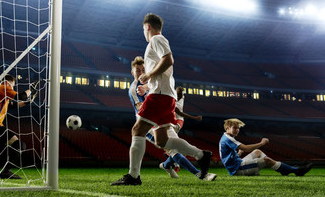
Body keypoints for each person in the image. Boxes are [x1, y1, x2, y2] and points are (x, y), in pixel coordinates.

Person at [112, 13, 213, 186]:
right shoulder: (157, 42)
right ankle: (201, 155)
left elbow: (168, 60)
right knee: (162, 141)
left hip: (159, 96)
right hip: (165, 95)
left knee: (137, 130)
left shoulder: (156, 40)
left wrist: (149, 75)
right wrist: (148, 84)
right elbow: (165, 72)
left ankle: (133, 176)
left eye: (143, 28)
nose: (143, 31)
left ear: (148, 27)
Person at [129, 57, 216, 181]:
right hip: (148, 126)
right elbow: (141, 108)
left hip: (159, 118)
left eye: (143, 69)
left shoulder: (150, 82)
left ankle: (170, 164)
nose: (141, 72)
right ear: (132, 72)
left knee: (175, 143)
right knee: (173, 149)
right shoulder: (134, 89)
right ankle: (200, 173)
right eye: (137, 70)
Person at [0, 74, 39, 179]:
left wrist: (27, 103)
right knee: (20, 145)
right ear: (7, 83)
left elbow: (11, 105)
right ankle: (6, 171)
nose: (12, 89)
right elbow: (20, 96)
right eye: (12, 86)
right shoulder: (3, 87)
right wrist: (30, 90)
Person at [219, 118, 313, 176]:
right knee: (266, 160)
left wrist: (238, 153)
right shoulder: (228, 139)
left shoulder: (226, 137)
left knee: (257, 152)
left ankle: (283, 169)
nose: (237, 130)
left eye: (238, 128)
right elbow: (246, 148)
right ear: (227, 128)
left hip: (237, 163)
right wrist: (262, 143)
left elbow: (227, 156)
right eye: (235, 128)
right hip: (237, 169)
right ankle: (296, 170)